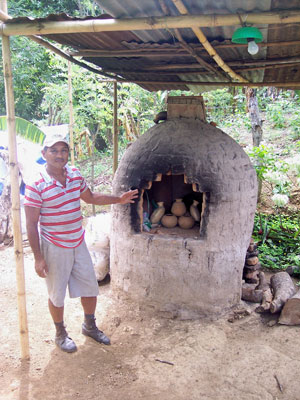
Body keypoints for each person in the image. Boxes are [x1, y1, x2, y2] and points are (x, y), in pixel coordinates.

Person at [24, 133, 138, 353]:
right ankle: (60, 333)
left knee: (90, 286)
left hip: (78, 241)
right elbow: (31, 224)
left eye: (64, 150)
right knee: (56, 293)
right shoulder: (36, 183)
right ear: (44, 154)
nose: (59, 155)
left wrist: (119, 199)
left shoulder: (74, 174)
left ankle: (89, 325)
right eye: (54, 150)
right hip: (54, 245)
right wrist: (38, 258)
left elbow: (91, 198)